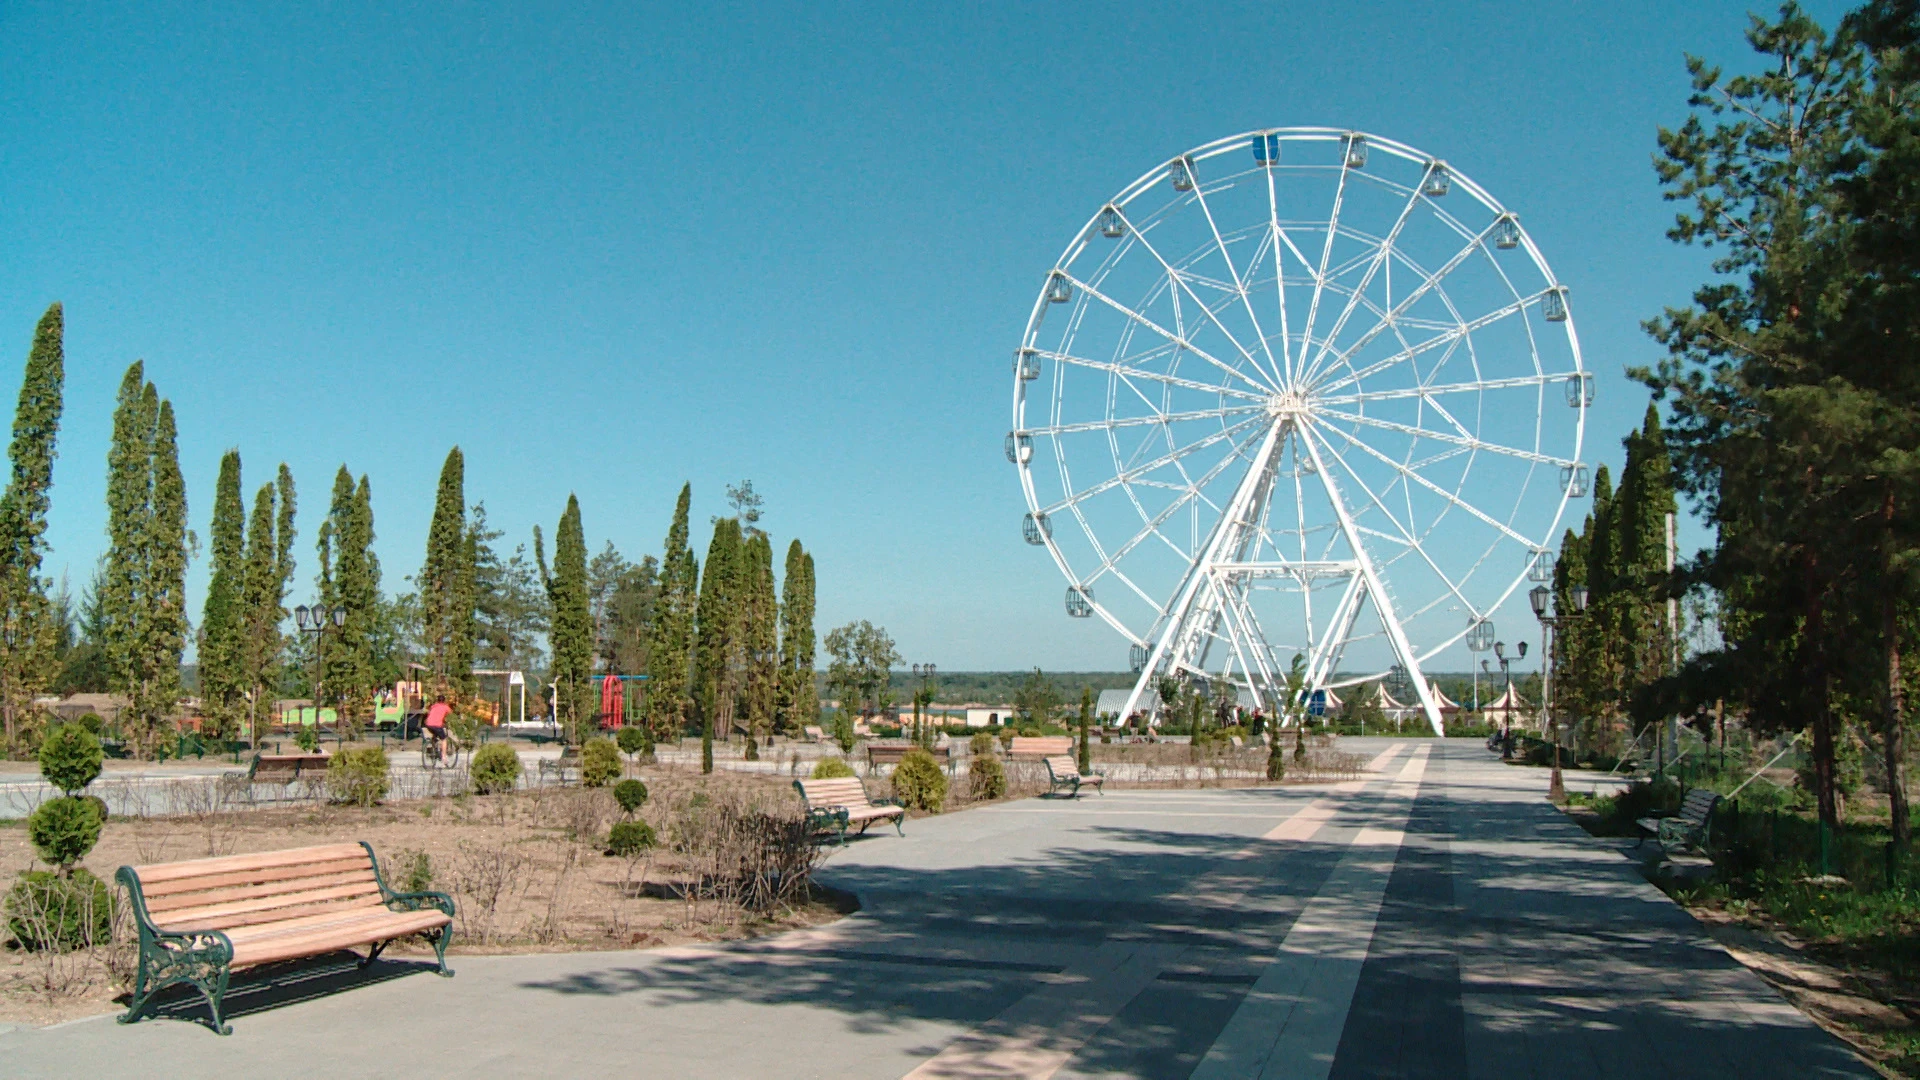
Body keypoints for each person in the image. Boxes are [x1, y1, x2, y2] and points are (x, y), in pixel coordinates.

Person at [424, 694, 453, 764]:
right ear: (444, 701)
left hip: (428, 724)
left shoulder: (433, 706)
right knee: (444, 739)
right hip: (437, 725)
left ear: (437, 700)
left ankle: (433, 748)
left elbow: (430, 715)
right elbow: (451, 715)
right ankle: (443, 757)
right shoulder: (445, 707)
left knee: (435, 735)